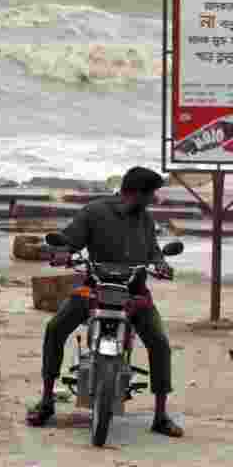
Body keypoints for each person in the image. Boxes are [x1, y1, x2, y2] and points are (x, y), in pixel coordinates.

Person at [26, 165, 183, 437]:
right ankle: (47, 399)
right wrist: (61, 252)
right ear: (135, 193)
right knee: (55, 329)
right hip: (94, 288)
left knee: (159, 342)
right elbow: (71, 240)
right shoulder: (95, 211)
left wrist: (161, 264)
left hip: (134, 293)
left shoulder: (144, 219)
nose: (154, 199)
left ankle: (160, 415)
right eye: (151, 194)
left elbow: (154, 252)